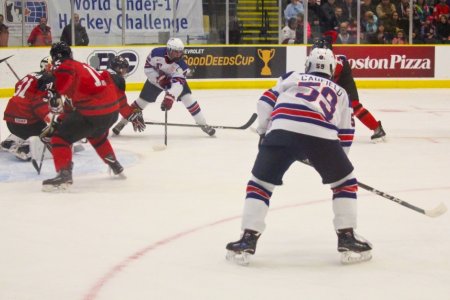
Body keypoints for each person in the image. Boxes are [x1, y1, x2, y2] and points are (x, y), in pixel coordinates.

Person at [225, 48, 372, 265]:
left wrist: (264, 131)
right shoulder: (341, 92)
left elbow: (265, 101)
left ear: (308, 65)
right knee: (345, 184)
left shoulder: (291, 76)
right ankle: (347, 237)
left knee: (260, 185)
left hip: (281, 129)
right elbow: (346, 132)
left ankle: (248, 238)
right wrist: (337, 165)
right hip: (323, 136)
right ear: (331, 68)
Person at [38, 42, 123, 191]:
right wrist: (62, 119)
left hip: (93, 112)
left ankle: (64, 174)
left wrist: (53, 87)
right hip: (112, 112)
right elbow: (72, 107)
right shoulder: (83, 66)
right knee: (95, 133)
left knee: (60, 138)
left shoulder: (63, 65)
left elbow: (63, 84)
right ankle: (114, 163)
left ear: (55, 57)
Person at [112, 37, 215, 136]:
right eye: (176, 51)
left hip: (173, 82)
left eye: (180, 51)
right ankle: (121, 124)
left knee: (188, 99)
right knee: (141, 102)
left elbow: (178, 83)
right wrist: (158, 79)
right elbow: (148, 69)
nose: (179, 54)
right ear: (169, 49)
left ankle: (203, 124)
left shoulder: (181, 65)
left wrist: (170, 96)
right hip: (155, 80)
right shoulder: (155, 53)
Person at [313, 37, 386, 141]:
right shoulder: (315, 60)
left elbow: (328, 80)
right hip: (332, 83)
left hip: (344, 83)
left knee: (355, 106)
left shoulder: (336, 62)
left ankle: (377, 128)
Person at [1, 57, 52, 160]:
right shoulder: (47, 80)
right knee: (48, 134)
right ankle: (26, 150)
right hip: (26, 122)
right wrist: (50, 118)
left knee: (34, 126)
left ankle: (10, 142)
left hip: (10, 120)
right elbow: (39, 104)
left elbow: (17, 87)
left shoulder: (31, 75)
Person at [106, 55, 145, 133]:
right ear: (118, 68)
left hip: (80, 100)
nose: (125, 72)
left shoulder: (104, 73)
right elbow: (121, 103)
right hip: (88, 107)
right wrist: (131, 115)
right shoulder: (117, 79)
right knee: (111, 115)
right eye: (124, 69)